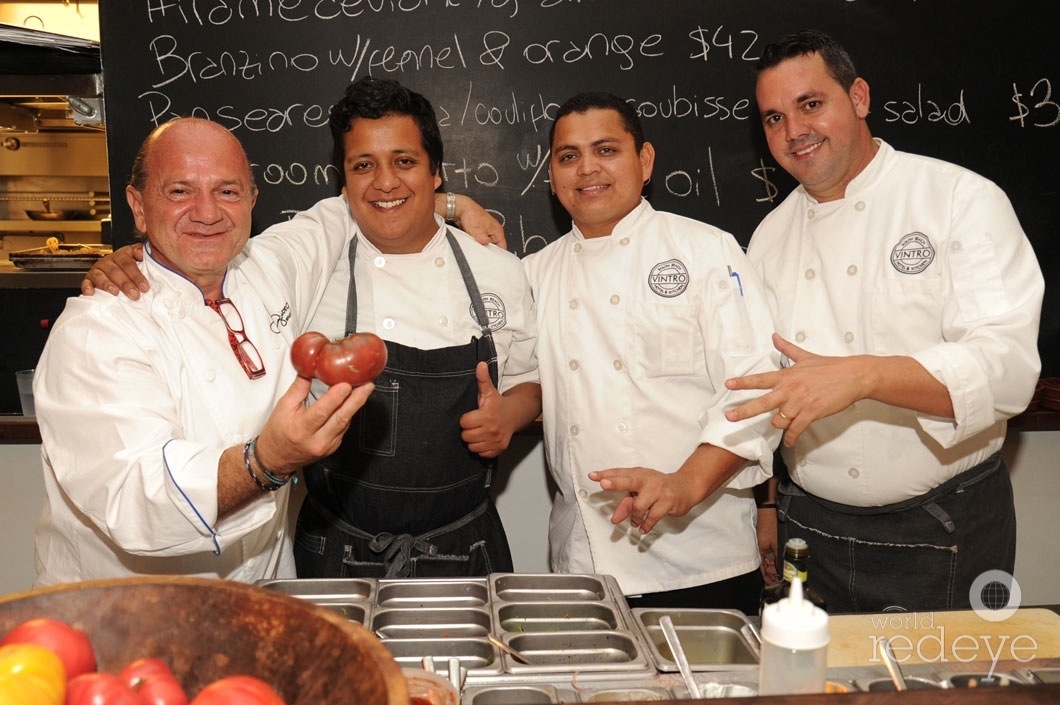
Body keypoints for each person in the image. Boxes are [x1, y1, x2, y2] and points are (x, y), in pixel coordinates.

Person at [81, 77, 541, 580]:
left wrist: (509, 418)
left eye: (405, 161)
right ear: (343, 183)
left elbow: (529, 378)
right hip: (334, 551)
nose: (384, 181)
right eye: (362, 165)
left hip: (466, 547)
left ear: (436, 173)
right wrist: (143, 258)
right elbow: (195, 247)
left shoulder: (497, 270)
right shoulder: (308, 264)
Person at [724, 30, 1044, 612]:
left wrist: (865, 376)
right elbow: (764, 387)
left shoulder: (959, 200)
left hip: (943, 523)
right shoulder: (767, 239)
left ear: (861, 98)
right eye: (773, 118)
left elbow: (1008, 372)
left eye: (811, 104)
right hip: (811, 528)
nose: (793, 131)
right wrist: (763, 503)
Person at [33, 117, 374, 586]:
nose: (207, 212)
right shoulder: (97, 330)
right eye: (179, 192)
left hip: (264, 597)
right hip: (133, 619)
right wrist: (266, 462)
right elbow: (136, 498)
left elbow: (346, 211)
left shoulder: (269, 266)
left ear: (253, 201)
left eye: (228, 192)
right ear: (138, 205)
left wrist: (450, 203)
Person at [523, 92, 781, 612]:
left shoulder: (707, 250)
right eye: (568, 156)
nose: (586, 168)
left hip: (701, 559)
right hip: (582, 562)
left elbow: (759, 388)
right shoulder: (533, 275)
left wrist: (688, 482)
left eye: (606, 150)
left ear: (644, 162)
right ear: (551, 176)